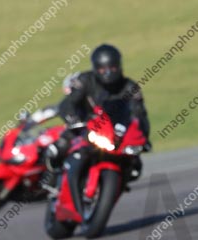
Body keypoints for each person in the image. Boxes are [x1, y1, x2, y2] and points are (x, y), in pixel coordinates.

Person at [45, 44, 151, 182]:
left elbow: (140, 115)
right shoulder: (85, 80)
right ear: (96, 68)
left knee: (135, 167)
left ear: (119, 66)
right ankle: (50, 179)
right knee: (59, 147)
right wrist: (72, 119)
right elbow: (67, 103)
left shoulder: (130, 87)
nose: (107, 73)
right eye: (102, 69)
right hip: (85, 127)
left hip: (115, 133)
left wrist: (144, 137)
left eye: (111, 68)